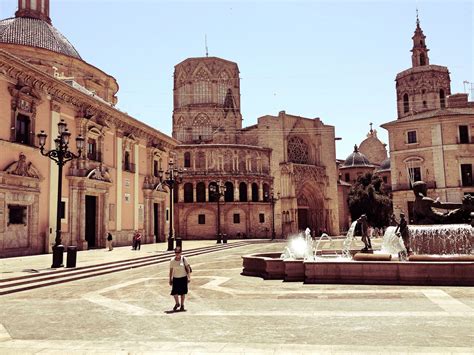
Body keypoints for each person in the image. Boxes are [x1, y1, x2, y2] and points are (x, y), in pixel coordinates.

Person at [169, 246, 190, 311]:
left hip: (183, 278)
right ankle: (177, 303)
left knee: (182, 293)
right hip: (176, 278)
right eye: (176, 252)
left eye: (178, 252)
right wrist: (170, 279)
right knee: (174, 292)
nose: (177, 253)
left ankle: (182, 305)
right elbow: (171, 270)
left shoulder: (184, 259)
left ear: (181, 252)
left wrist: (189, 277)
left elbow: (188, 268)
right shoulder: (172, 260)